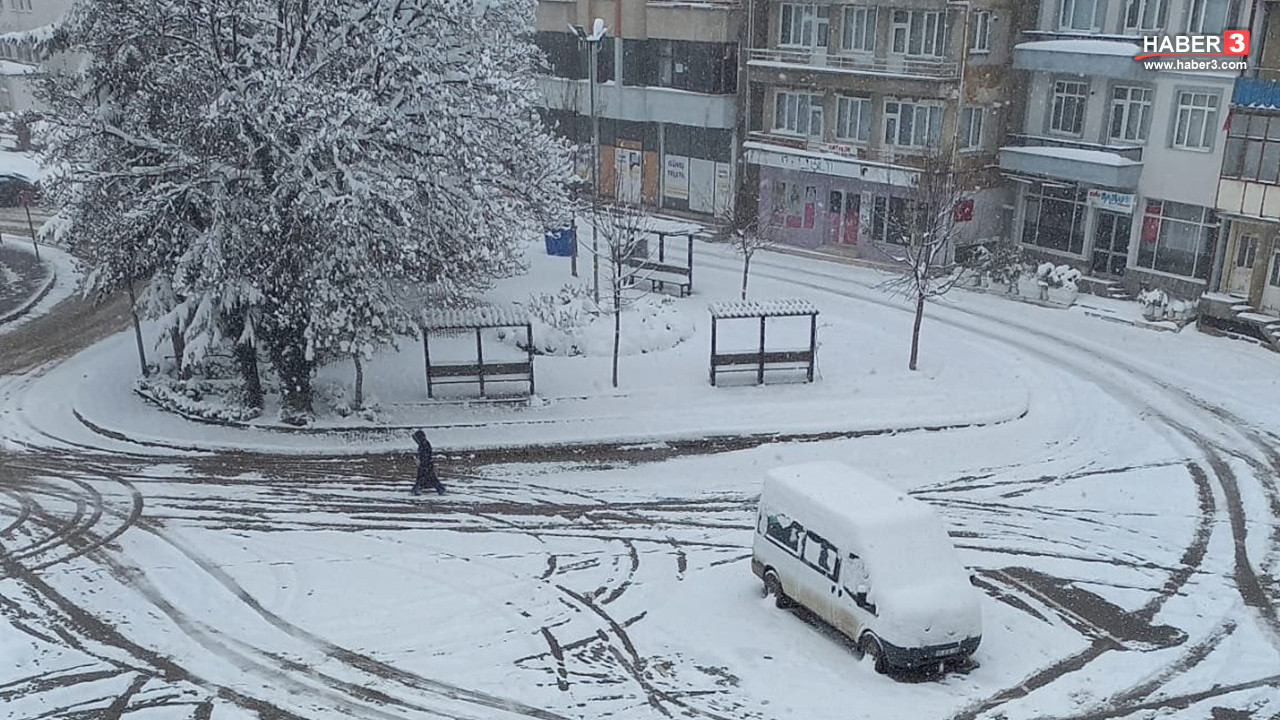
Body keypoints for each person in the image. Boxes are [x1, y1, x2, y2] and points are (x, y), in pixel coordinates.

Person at [411, 430, 445, 496]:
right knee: (430, 479)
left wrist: (421, 462)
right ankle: (415, 490)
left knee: (427, 479)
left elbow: (425, 456)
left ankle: (415, 490)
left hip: (425, 465)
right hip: (426, 465)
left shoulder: (424, 444)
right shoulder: (424, 444)